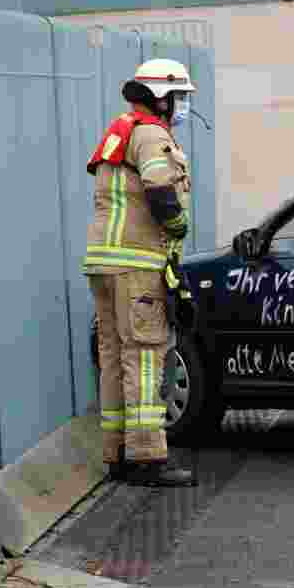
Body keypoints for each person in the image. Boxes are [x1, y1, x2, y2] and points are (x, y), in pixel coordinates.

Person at [83, 59, 198, 488]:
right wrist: (178, 227)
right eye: (180, 97)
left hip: (105, 263)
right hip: (137, 265)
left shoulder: (121, 129)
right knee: (146, 357)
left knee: (114, 358)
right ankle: (148, 457)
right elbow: (161, 191)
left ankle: (116, 454)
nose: (183, 107)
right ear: (161, 98)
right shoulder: (151, 134)